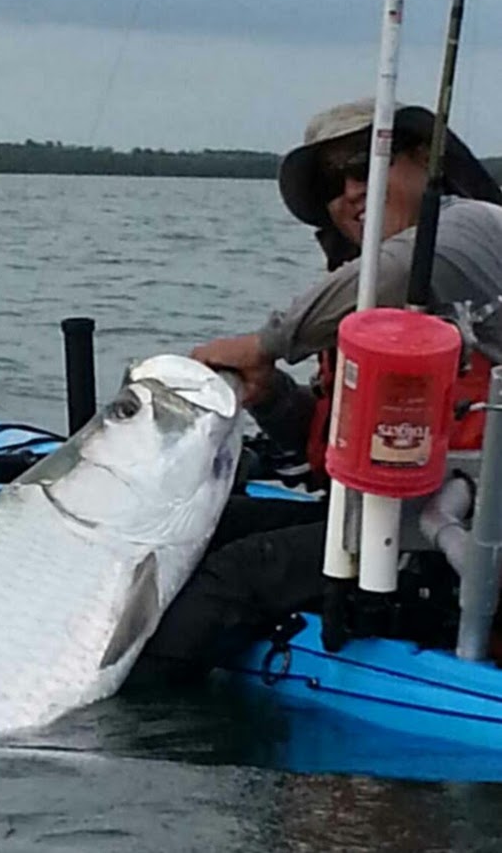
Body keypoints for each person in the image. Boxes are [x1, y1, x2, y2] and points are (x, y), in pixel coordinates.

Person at [132, 99, 502, 682]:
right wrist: (271, 393)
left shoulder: (475, 229)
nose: (353, 191)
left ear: (424, 165)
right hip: (378, 530)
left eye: (366, 165)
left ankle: (113, 735)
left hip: (464, 547)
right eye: (334, 182)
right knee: (203, 527)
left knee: (239, 571)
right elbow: (325, 458)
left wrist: (265, 343)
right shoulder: (351, 307)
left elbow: (403, 269)